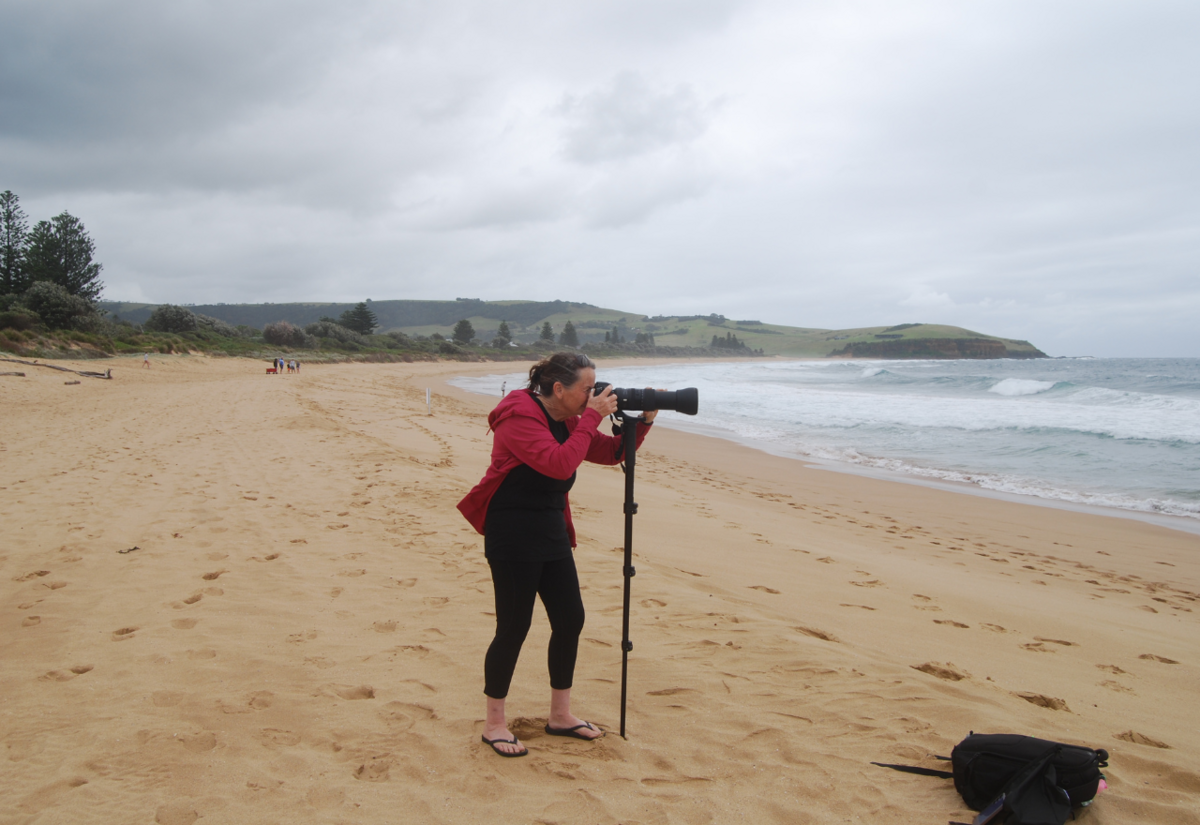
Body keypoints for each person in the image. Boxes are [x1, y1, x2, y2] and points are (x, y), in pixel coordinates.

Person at [458, 352, 656, 757]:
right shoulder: (518, 416)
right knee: (514, 626)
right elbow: (558, 464)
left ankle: (560, 715)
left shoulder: (570, 418)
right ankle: (494, 723)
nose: (595, 394)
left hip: (549, 529)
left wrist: (646, 420)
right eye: (587, 388)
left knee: (570, 619)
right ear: (559, 388)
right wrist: (591, 418)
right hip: (512, 531)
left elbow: (612, 452)